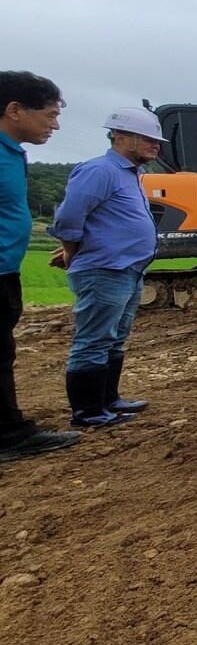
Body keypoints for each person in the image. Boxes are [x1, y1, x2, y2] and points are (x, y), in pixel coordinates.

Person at [49, 107, 165, 427]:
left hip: (129, 269)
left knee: (114, 338)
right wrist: (71, 251)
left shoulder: (131, 174)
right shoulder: (99, 171)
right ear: (120, 136)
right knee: (95, 339)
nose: (155, 145)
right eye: (147, 138)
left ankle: (108, 400)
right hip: (105, 268)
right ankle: (88, 412)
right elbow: (68, 217)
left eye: (156, 140)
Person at [0, 71, 81, 461]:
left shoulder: (12, 152)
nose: (55, 125)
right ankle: (8, 435)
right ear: (15, 110)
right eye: (49, 115)